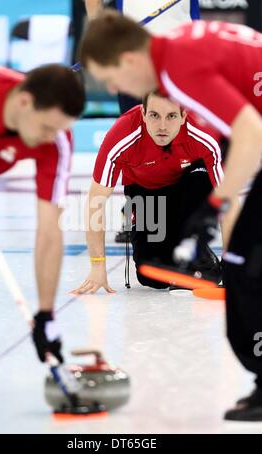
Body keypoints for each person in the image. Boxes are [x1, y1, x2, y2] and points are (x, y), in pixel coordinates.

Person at [79, 11, 262, 420]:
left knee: (246, 275)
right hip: (148, 194)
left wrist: (218, 205)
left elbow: (251, 135)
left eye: (109, 77)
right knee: (233, 272)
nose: (111, 88)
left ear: (127, 59)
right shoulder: (179, 49)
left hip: (211, 170)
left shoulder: (178, 73)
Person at [0, 59, 85, 395]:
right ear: (24, 102)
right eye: (46, 128)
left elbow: (49, 232)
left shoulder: (56, 141)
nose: (51, 137)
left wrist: (46, 314)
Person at [73, 92, 227, 295]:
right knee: (150, 275)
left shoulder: (203, 134)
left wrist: (231, 261)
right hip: (147, 192)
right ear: (143, 113)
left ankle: (202, 256)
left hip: (189, 185)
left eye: (171, 116)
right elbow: (96, 200)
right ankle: (179, 257)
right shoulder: (122, 134)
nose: (162, 126)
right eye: (154, 115)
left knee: (201, 184)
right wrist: (97, 266)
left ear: (183, 116)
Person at [85, 0, 201, 243]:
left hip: (181, 46)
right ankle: (139, 214)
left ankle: (189, 219)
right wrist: (98, 30)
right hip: (130, 50)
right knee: (139, 135)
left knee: (183, 131)